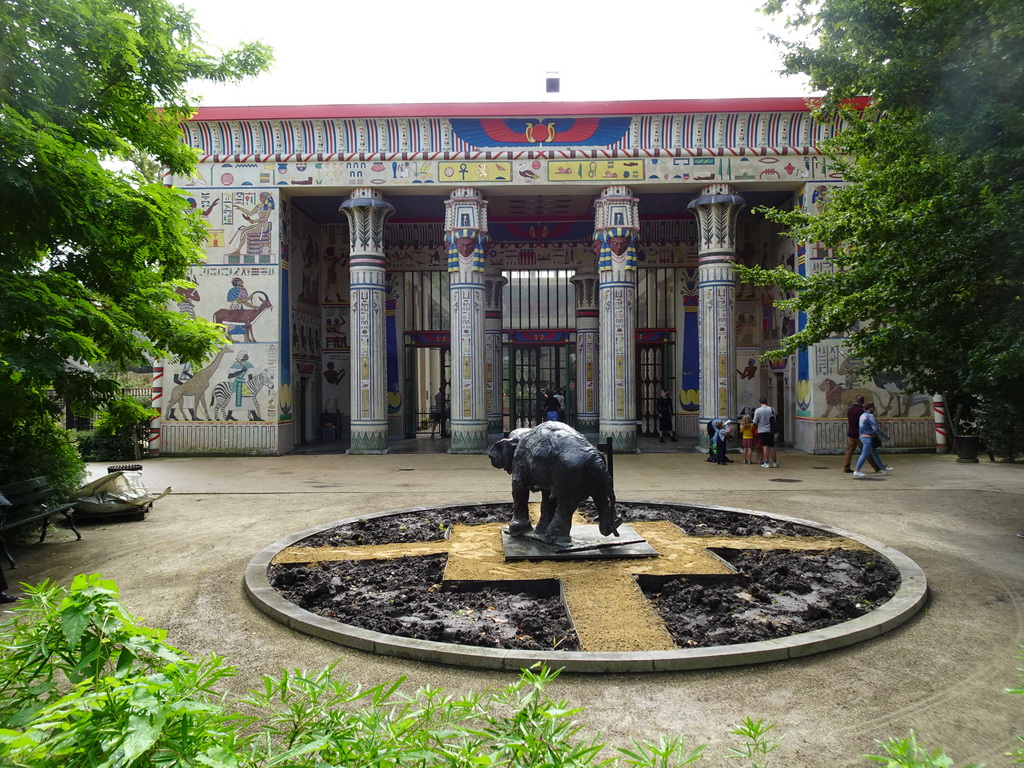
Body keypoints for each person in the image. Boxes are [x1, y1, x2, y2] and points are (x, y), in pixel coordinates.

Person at [853, 402, 894, 478]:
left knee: (875, 453)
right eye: (873, 407)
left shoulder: (862, 415)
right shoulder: (870, 416)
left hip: (863, 436)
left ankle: (884, 469)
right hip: (868, 437)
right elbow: (875, 428)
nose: (874, 409)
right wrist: (885, 435)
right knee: (864, 454)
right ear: (869, 408)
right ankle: (857, 471)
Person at [844, 394, 882, 474]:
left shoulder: (850, 410)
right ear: (863, 402)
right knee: (866, 451)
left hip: (851, 433)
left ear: (855, 401)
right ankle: (876, 467)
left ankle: (846, 467)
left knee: (849, 451)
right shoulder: (862, 411)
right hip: (861, 434)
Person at [753, 396, 779, 468]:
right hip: (770, 430)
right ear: (766, 402)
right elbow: (775, 419)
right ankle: (774, 462)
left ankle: (766, 462)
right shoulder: (771, 409)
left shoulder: (758, 410)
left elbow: (755, 421)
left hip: (762, 430)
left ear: (759, 403)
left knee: (765, 446)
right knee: (772, 446)